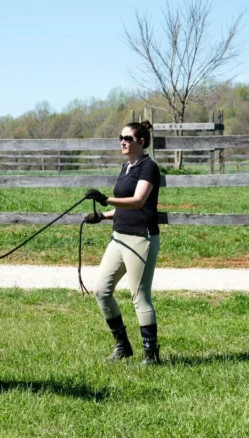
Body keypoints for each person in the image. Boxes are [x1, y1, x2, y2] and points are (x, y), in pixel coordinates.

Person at [83, 120, 162, 365]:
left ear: (141, 141)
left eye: (127, 138)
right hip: (119, 237)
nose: (122, 142)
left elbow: (138, 201)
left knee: (139, 296)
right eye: (120, 137)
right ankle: (123, 345)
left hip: (141, 237)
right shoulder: (127, 167)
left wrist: (106, 200)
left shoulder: (148, 167)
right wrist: (103, 216)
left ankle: (151, 355)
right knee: (101, 290)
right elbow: (123, 206)